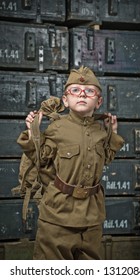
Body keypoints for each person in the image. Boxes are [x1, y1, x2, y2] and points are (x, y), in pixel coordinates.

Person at [17, 66, 124, 260]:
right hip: (58, 215)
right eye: (75, 90)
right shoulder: (56, 128)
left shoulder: (101, 131)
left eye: (89, 91)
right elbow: (39, 159)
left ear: (98, 101)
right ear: (65, 100)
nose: (82, 94)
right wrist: (33, 133)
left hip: (91, 217)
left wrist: (112, 134)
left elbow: (105, 159)